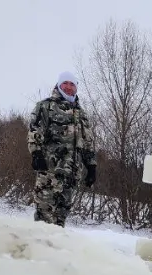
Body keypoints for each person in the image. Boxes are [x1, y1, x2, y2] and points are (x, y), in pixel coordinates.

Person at [26, 71, 97, 227]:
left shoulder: (81, 114)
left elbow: (87, 141)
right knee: (44, 219)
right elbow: (35, 131)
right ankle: (39, 249)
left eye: (72, 84)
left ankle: (54, 251)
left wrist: (91, 166)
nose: (68, 87)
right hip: (49, 174)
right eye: (65, 83)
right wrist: (36, 154)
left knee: (60, 222)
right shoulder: (45, 106)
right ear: (59, 85)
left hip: (71, 177)